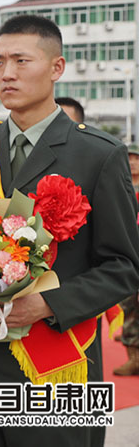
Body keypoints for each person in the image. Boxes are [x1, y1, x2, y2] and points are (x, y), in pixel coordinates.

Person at [0, 14, 139, 445]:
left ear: (56, 67)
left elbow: (123, 266)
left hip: (58, 369)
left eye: (21, 61)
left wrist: (48, 305)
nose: (6, 74)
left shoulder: (99, 154)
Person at [112, 142, 139, 376]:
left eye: (136, 158)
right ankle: (133, 357)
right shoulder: (120, 185)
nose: (132, 162)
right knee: (128, 306)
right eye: (129, 158)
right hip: (129, 255)